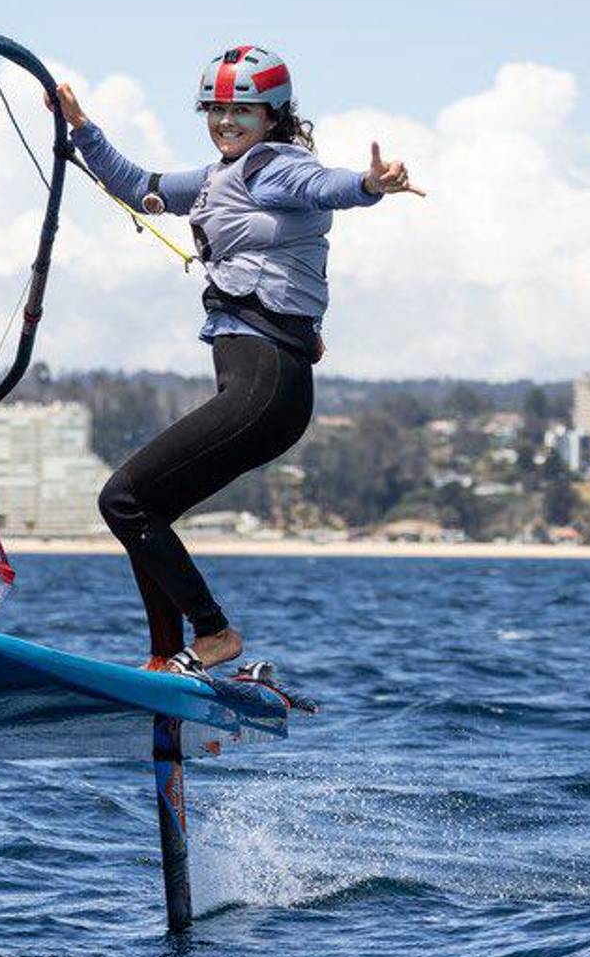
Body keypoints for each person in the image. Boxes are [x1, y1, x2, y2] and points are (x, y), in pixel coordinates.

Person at [52, 44, 423, 676]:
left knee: (121, 498)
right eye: (216, 109)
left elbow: (326, 186)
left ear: (273, 113)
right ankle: (167, 658)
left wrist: (369, 186)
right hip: (262, 389)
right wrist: (82, 128)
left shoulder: (277, 166)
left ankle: (214, 634)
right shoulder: (220, 176)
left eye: (242, 110)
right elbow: (137, 186)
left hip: (266, 385)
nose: (225, 120)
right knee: (142, 509)